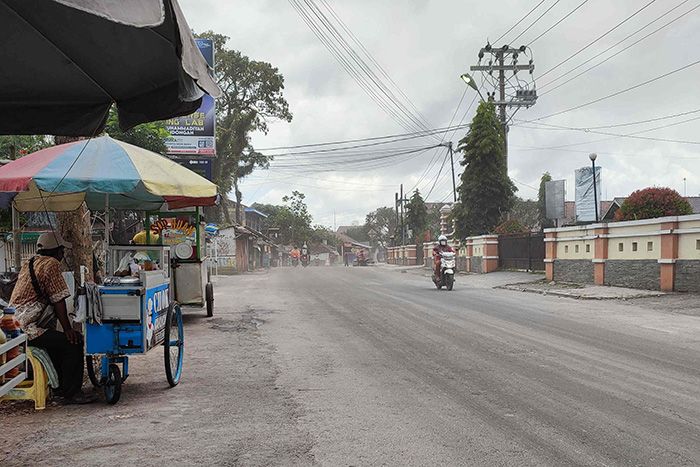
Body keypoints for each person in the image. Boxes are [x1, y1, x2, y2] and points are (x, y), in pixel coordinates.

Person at [10, 232, 94, 404]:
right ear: (57, 251)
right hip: (28, 328)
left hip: (12, 326)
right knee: (74, 342)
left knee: (58, 343)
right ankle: (71, 393)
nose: (63, 254)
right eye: (62, 250)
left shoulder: (30, 262)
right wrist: (68, 329)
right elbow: (59, 301)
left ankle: (59, 389)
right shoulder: (52, 265)